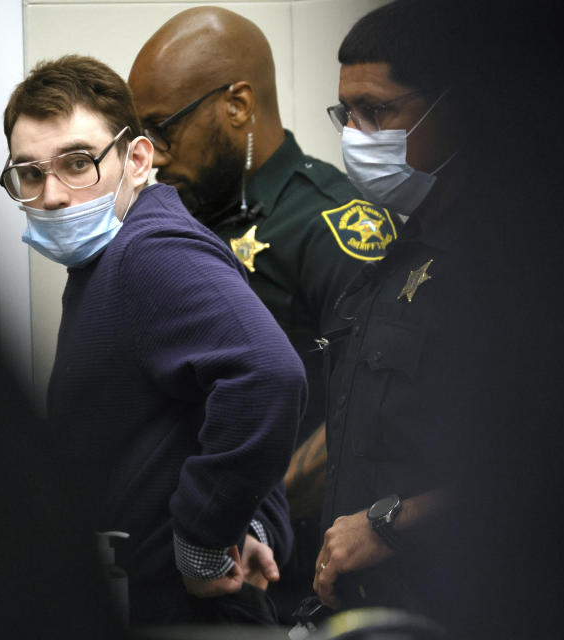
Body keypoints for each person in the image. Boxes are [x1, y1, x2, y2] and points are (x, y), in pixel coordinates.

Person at [0, 55, 306, 626]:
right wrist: (250, 524)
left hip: (184, 616)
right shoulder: (108, 259)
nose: (54, 195)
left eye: (77, 162)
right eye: (30, 173)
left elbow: (269, 375)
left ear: (137, 159)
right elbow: (209, 407)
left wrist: (203, 545)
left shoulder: (150, 251)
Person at [128, 6, 396, 615]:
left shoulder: (333, 226)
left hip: (298, 574)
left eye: (162, 128)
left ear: (239, 106)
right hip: (200, 563)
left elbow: (374, 417)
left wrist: (246, 510)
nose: (155, 154)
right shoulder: (187, 218)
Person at [310, 0, 494, 618]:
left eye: (379, 111)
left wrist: (391, 523)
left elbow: (551, 461)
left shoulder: (510, 264)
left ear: (456, 106)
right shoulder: (398, 251)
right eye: (348, 112)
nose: (356, 135)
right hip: (377, 608)